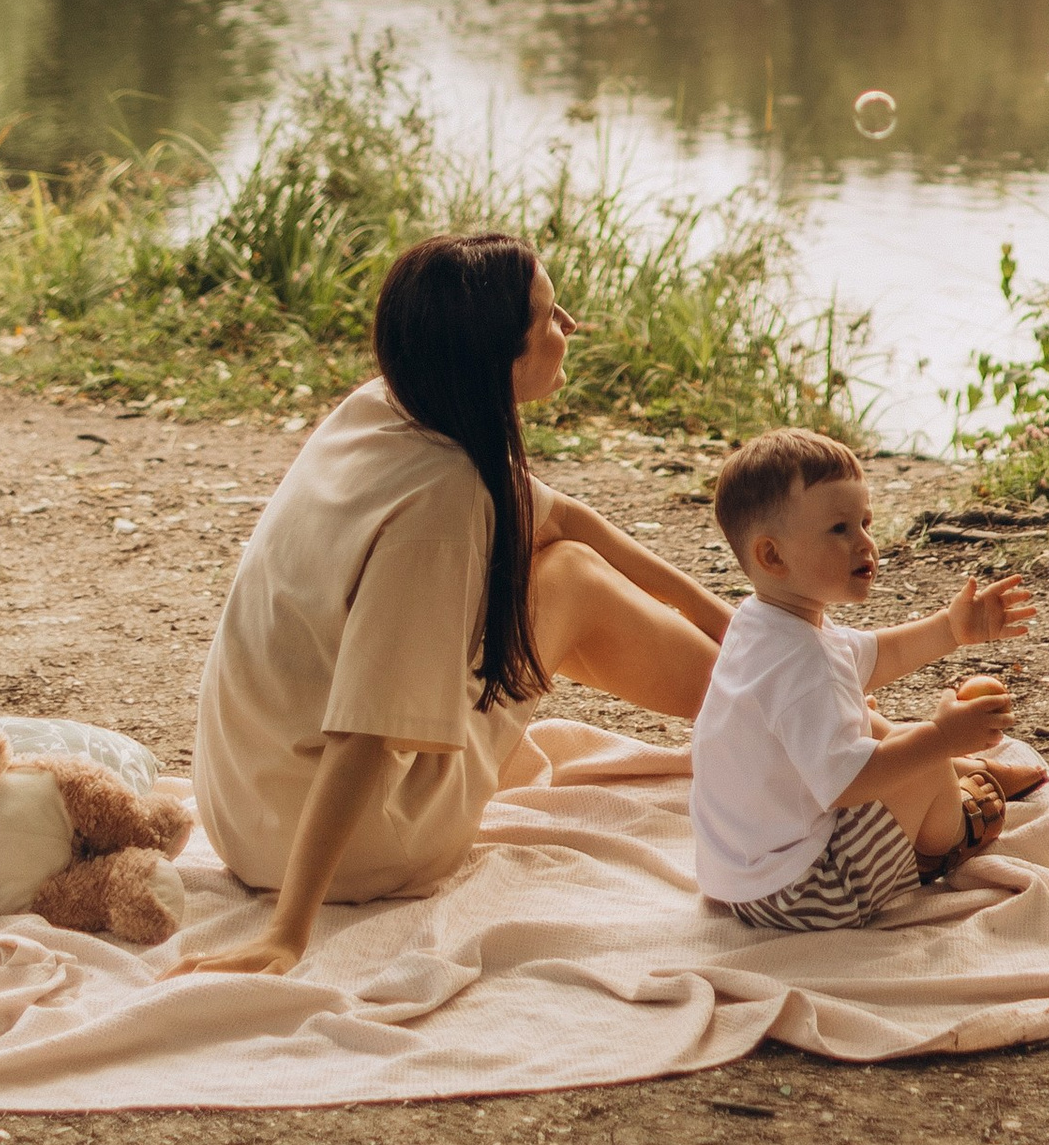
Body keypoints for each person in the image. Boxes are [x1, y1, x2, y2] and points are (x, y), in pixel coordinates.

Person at [184, 229, 735, 971]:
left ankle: (801, 696)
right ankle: (802, 717)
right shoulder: (444, 501)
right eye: (547, 316)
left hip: (245, 811)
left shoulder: (385, 406)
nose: (568, 326)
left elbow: (567, 518)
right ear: (495, 355)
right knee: (569, 579)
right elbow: (363, 734)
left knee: (564, 557)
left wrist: (736, 626)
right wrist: (286, 934)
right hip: (350, 850)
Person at [689, 428, 1038, 932]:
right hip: (803, 893)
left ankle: (941, 786)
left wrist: (950, 629)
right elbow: (848, 785)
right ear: (773, 556)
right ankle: (947, 839)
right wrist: (939, 739)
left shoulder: (763, 621)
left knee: (874, 723)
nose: (865, 543)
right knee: (921, 758)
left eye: (865, 522)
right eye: (839, 529)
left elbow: (872, 656)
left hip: (740, 873)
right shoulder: (803, 664)